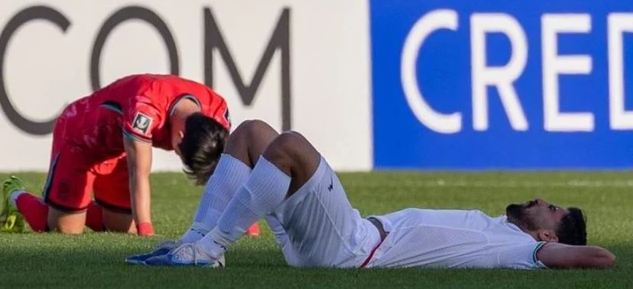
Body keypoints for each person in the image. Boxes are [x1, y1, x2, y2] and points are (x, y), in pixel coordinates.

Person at [129, 119, 616, 270]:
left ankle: (211, 251)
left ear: (549, 233)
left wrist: (556, 253)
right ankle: (191, 241)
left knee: (290, 147)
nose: (539, 199)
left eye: (549, 208)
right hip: (346, 236)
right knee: (251, 133)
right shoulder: (499, 229)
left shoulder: (523, 250)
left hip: (353, 247)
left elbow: (602, 259)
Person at [0, 74, 235, 236]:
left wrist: (250, 226)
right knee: (64, 231)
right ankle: (15, 196)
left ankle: (72, 208)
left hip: (118, 149)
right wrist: (147, 232)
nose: (175, 153)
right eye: (181, 154)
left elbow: (229, 171)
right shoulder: (147, 105)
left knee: (121, 230)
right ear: (181, 136)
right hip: (79, 142)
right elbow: (139, 173)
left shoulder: (216, 111)